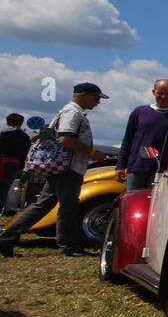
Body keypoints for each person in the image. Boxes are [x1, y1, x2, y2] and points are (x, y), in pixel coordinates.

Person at [0, 83, 109, 257]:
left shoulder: (69, 111)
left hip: (62, 166)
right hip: (68, 167)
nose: (97, 102)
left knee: (43, 205)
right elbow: (66, 138)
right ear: (82, 95)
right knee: (68, 207)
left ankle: (7, 238)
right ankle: (68, 246)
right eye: (95, 98)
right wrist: (92, 152)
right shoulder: (73, 113)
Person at [116, 79, 168, 192]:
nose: (163, 96)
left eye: (167, 94)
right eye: (159, 93)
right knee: (133, 201)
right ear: (153, 92)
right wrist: (120, 166)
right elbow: (127, 140)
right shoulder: (139, 112)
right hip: (137, 168)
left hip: (164, 171)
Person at [1, 113, 32, 211]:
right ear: (21, 123)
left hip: (2, 161)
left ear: (7, 122)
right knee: (4, 189)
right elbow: (25, 153)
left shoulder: (2, 133)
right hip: (14, 164)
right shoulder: (25, 137)